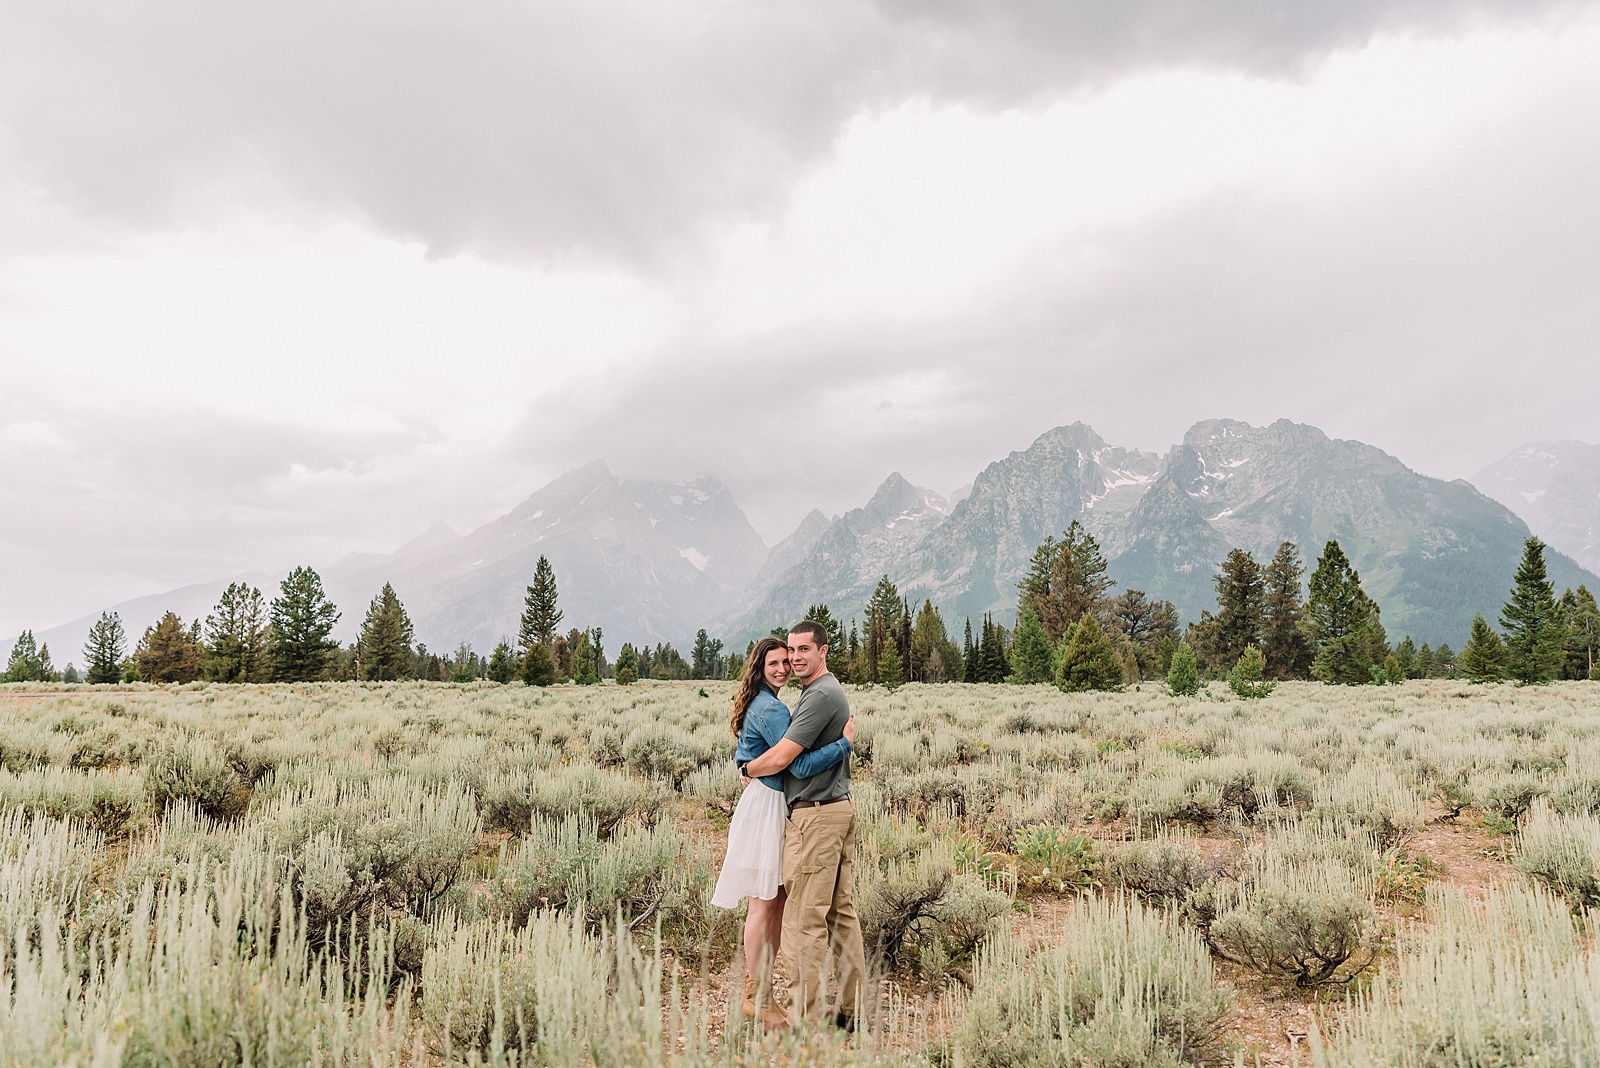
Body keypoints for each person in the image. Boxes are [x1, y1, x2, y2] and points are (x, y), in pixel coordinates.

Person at [710, 636, 855, 1031]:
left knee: (774, 899)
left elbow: (750, 755)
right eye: (773, 662)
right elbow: (799, 766)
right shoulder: (772, 708)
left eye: (785, 661)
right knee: (764, 902)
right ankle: (757, 996)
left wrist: (747, 766)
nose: (782, 668)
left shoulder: (763, 702)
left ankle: (764, 993)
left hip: (768, 803)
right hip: (768, 808)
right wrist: (843, 745)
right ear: (760, 668)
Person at [743, 619, 865, 1032]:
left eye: (802, 650)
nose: (794, 659)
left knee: (803, 922)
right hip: (833, 810)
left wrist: (748, 767)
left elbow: (787, 761)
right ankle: (851, 1010)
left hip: (816, 818)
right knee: (839, 915)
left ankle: (806, 1020)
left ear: (823, 650)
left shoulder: (820, 695)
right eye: (790, 651)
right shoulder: (820, 692)